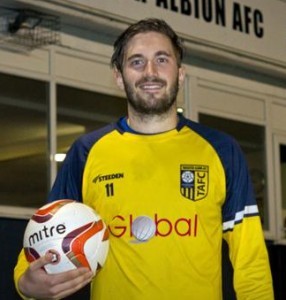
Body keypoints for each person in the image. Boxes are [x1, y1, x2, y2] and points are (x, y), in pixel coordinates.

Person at [14, 18, 274, 300]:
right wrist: (25, 283)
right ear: (118, 75)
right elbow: (43, 232)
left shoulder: (222, 150)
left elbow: (251, 262)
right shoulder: (87, 151)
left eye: (162, 59)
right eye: (136, 62)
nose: (150, 72)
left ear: (181, 73)